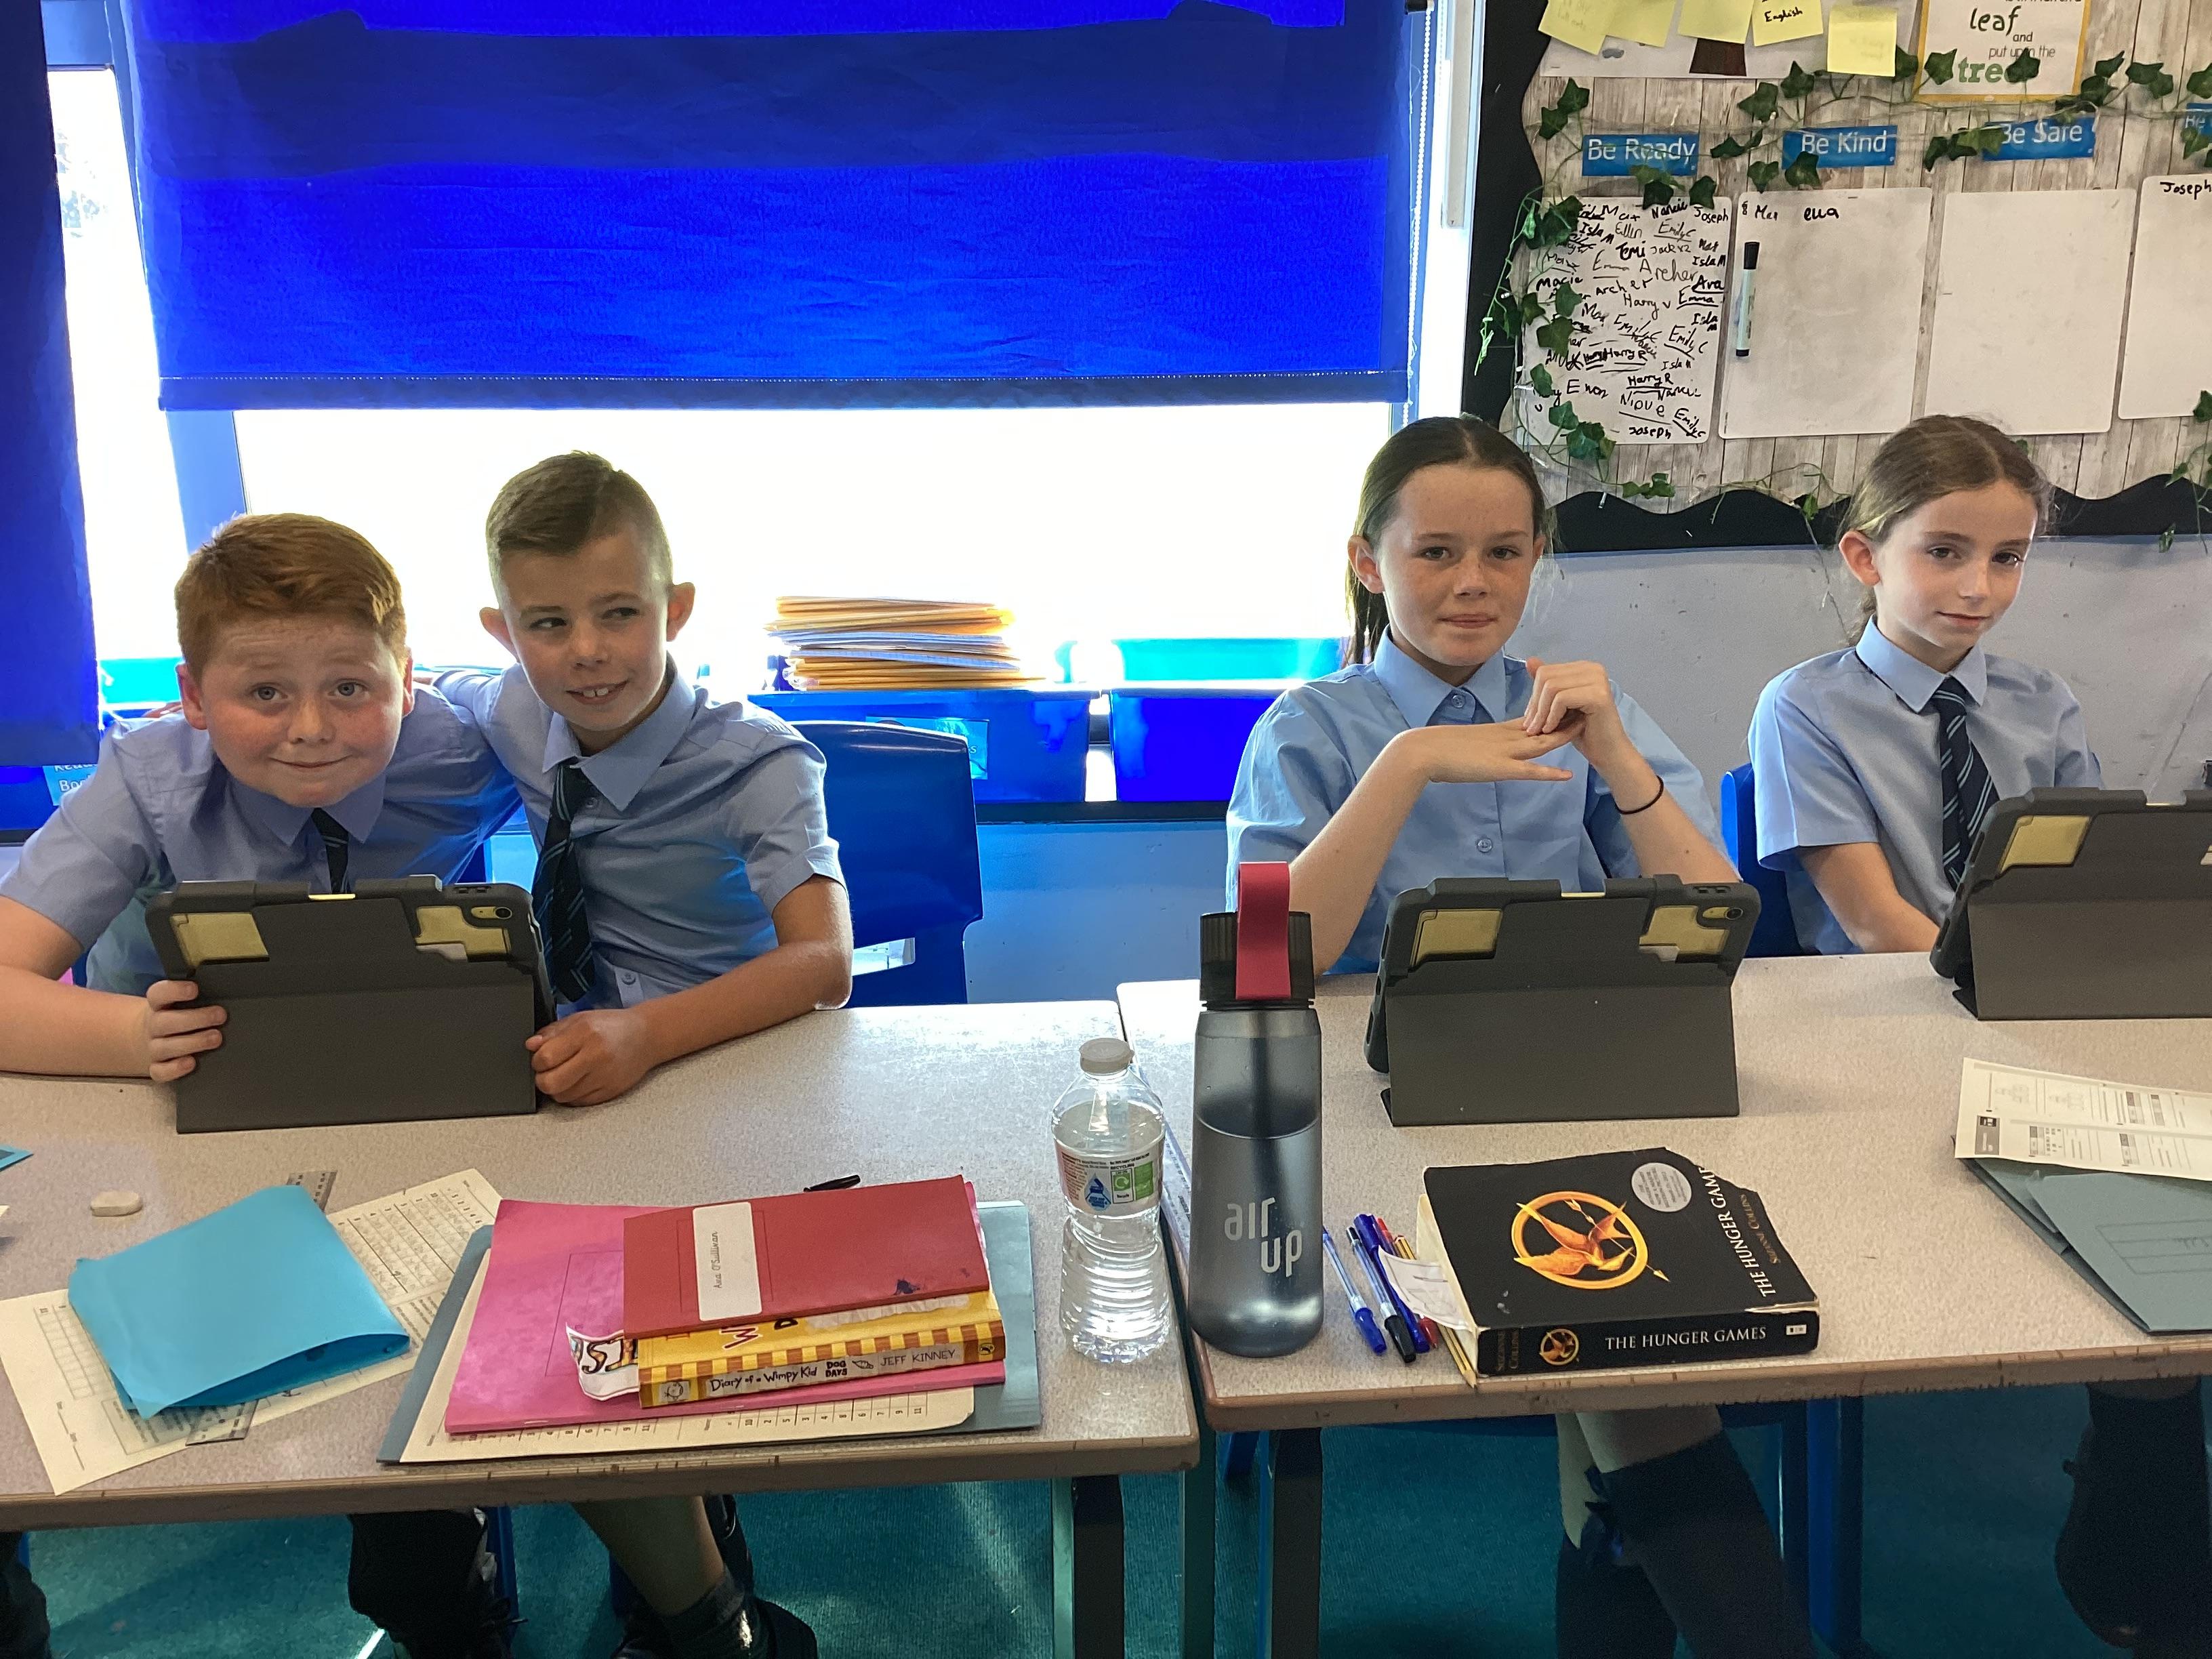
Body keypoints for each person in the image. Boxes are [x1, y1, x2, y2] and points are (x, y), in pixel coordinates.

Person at [1229, 413, 1814, 1658]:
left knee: (1631, 1347)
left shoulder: (1577, 705)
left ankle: (1614, 1545)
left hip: (1580, 1075)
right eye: (1435, 553)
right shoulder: (1311, 727)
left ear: (1538, 558)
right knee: (1633, 1370)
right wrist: (1404, 766)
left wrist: (1616, 754)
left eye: (1504, 552)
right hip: (1391, 1107)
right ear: (1369, 561)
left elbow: (1717, 919)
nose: (1473, 584)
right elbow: (1266, 966)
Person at [0, 515, 521, 1658]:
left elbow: (624, 745)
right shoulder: (147, 778)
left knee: (419, 1367)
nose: (313, 729)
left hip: (397, 1093)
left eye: (350, 688)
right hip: (179, 1104)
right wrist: (133, 1035)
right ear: (194, 694)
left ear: (408, 678)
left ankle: (446, 1570)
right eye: (264, 693)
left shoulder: (465, 745)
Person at [1748, 413, 2209, 1657]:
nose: (1978, 588)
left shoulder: (2041, 701)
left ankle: (2139, 1517)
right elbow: (1875, 922)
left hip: (2035, 1016)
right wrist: (2019, 1007)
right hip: (1887, 1034)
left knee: (2170, 1254)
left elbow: (2083, 888)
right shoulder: (1805, 709)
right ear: (1865, 557)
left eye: (2007, 559)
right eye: (1944, 553)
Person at [435, 451, 852, 1658]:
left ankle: (697, 1579)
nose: (588, 653)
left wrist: (648, 1034)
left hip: (718, 1063)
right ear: (502, 631)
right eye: (547, 624)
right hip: (568, 1069)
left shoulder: (757, 758)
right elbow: (396, 698)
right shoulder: (506, 708)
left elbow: (823, 962)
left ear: (677, 608)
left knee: (634, 1310)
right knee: (494, 1292)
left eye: (621, 613)